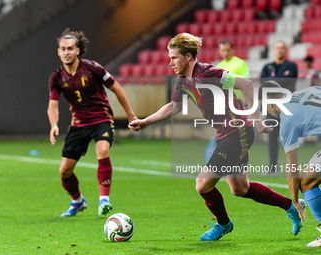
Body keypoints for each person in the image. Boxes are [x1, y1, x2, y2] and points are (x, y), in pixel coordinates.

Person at [129, 33, 304, 241]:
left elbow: (246, 85)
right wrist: (145, 121)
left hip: (237, 132)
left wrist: (257, 120)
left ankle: (223, 225)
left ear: (188, 56)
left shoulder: (209, 73)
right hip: (226, 134)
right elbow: (173, 107)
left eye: (174, 58)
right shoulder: (185, 81)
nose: (170, 62)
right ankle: (290, 205)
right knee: (240, 188)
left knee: (202, 184)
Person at [47, 28, 137, 217]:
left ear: (78, 50)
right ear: (58, 51)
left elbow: (117, 88)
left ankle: (104, 200)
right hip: (78, 124)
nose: (66, 52)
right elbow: (53, 105)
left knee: (102, 151)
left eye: (70, 48)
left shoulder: (93, 68)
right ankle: (77, 201)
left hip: (101, 119)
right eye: (63, 49)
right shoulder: (57, 78)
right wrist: (54, 124)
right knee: (64, 171)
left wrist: (131, 115)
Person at [259, 80, 321, 247]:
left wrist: (294, 201)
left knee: (307, 182)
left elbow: (292, 168)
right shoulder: (307, 91)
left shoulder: (287, 120)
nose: (270, 114)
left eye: (267, 108)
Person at [260, 40, 298, 173]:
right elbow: (263, 83)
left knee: (290, 139)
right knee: (272, 138)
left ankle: (292, 167)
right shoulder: (267, 67)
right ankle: (272, 167)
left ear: (286, 50)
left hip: (287, 108)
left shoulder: (292, 66)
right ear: (274, 50)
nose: (280, 50)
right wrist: (279, 81)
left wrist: (272, 82)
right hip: (272, 109)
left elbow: (288, 80)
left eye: (282, 48)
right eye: (277, 48)